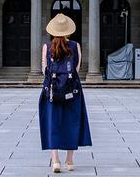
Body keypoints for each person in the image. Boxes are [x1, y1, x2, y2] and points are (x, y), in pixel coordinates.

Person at [39, 13, 92, 173]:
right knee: (72, 122)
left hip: (52, 92)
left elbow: (44, 70)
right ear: (68, 31)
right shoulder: (75, 46)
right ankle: (70, 161)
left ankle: (55, 160)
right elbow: (77, 69)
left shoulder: (47, 47)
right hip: (72, 91)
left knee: (52, 122)